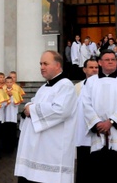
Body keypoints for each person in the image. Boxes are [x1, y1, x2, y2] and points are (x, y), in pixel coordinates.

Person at [14, 51, 77, 183]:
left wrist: (31, 108)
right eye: (40, 64)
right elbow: (34, 103)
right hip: (38, 147)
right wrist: (30, 107)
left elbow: (61, 110)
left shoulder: (65, 85)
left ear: (57, 65)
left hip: (53, 149)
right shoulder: (44, 87)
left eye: (45, 64)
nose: (42, 67)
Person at [81, 50, 117, 182]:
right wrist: (97, 123)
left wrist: (111, 122)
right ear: (100, 63)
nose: (111, 61)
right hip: (100, 134)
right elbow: (86, 105)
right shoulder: (91, 82)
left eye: (113, 59)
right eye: (107, 59)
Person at [74, 58, 99, 183]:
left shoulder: (103, 85)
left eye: (96, 67)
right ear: (84, 69)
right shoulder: (77, 87)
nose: (94, 70)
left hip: (98, 133)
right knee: (83, 168)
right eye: (91, 67)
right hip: (82, 133)